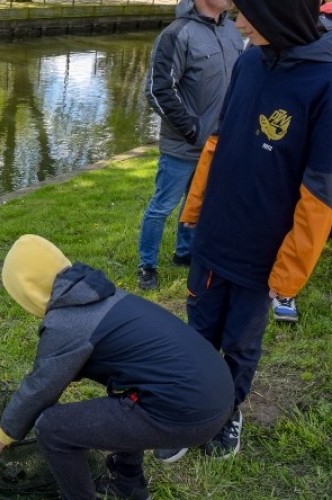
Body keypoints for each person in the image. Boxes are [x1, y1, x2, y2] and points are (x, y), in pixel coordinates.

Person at [169, 0, 332, 459]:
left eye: (248, 14)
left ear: (279, 15)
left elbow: (321, 192)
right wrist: (195, 208)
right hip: (214, 235)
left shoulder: (325, 83)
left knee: (240, 341)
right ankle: (190, 409)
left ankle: (227, 411)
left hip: (262, 250)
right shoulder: (247, 61)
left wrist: (289, 273)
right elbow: (219, 139)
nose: (237, 22)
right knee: (198, 328)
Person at [0, 235, 233, 500]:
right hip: (217, 394)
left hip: (189, 414)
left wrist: (2, 435)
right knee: (125, 389)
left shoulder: (66, 324)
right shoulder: (98, 293)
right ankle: (128, 483)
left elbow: (40, 387)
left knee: (52, 428)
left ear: (27, 291)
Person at [137, 0, 242, 290]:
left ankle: (185, 254)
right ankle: (147, 265)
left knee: (197, 204)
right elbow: (157, 90)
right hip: (183, 146)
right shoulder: (176, 33)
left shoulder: (233, 31)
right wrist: (192, 130)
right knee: (162, 206)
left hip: (217, 144)